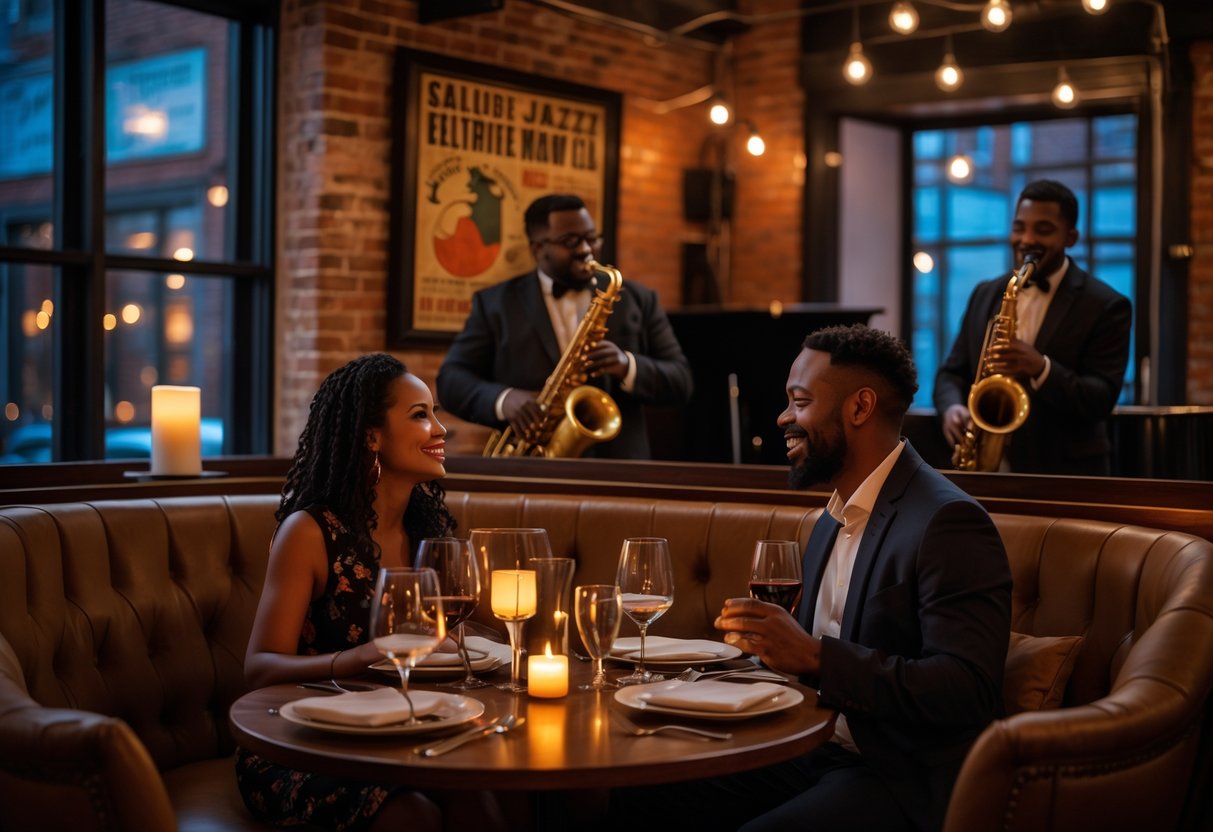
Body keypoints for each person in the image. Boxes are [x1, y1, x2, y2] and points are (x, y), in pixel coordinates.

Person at [615, 324, 1011, 832]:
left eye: (799, 402)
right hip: (811, 749)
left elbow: (967, 689)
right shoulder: (832, 517)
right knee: (641, 790)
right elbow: (801, 664)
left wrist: (817, 657)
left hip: (898, 776)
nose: (783, 417)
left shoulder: (948, 522)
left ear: (860, 408)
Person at [236, 353, 504, 832]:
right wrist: (365, 655)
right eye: (421, 416)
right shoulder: (311, 532)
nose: (441, 430)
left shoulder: (428, 530)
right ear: (370, 435)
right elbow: (259, 668)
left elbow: (451, 638)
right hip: (303, 743)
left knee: (483, 802)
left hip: (402, 731)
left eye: (435, 413)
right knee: (412, 816)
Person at [437, 193, 693, 459]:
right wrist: (504, 399)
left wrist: (627, 365)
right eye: (570, 241)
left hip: (619, 469)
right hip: (531, 469)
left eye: (591, 238)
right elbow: (451, 380)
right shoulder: (495, 304)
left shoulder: (638, 299)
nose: (585, 249)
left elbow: (681, 380)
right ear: (537, 248)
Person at [933, 179, 1132, 474]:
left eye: (1043, 230)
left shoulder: (1107, 305)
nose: (1026, 239)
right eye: (1019, 227)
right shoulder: (986, 293)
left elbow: (1101, 399)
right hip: (984, 468)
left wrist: (1041, 367)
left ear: (1071, 237)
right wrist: (951, 408)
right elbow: (951, 372)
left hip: (1064, 474)